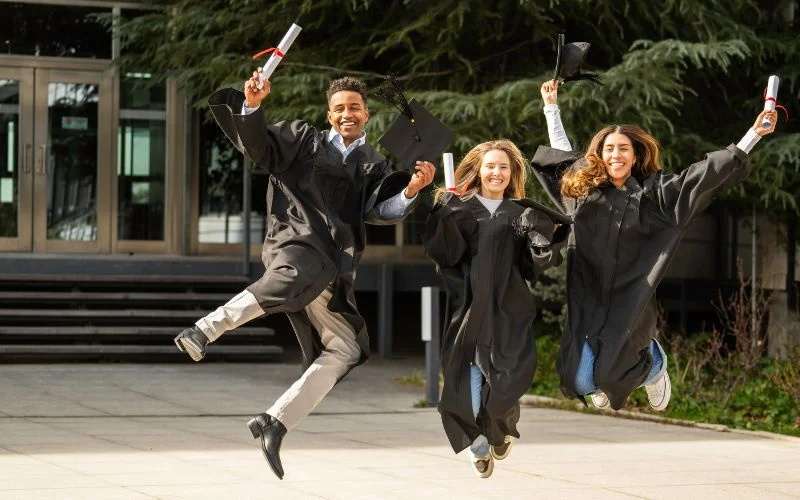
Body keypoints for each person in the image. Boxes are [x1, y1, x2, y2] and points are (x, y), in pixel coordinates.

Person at [173, 73, 437, 480]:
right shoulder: (301, 140)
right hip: (295, 240)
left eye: (354, 107)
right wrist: (255, 105)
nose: (347, 114)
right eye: (339, 108)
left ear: (366, 113)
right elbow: (258, 146)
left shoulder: (374, 164)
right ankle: (202, 330)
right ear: (328, 114)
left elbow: (379, 212)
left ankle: (275, 422)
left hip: (334, 263)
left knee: (348, 350)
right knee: (296, 272)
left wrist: (411, 190)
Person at [533, 79, 779, 412]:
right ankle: (605, 378)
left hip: (629, 298)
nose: (616, 154)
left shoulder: (656, 196)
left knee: (609, 374)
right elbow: (561, 154)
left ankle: (654, 366)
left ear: (635, 156)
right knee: (576, 380)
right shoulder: (582, 190)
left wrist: (753, 136)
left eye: (623, 148)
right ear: (599, 155)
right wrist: (551, 107)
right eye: (609, 148)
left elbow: (704, 174)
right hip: (587, 294)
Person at [422, 139, 570, 478]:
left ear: (512, 172)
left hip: (508, 314)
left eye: (503, 166)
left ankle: (500, 431)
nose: (496, 172)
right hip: (469, 316)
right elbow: (444, 255)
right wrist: (444, 213)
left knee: (504, 389)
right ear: (478, 169)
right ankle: (477, 447)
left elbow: (535, 264)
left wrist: (545, 237)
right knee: (464, 399)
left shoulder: (521, 214)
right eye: (490, 165)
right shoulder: (459, 207)